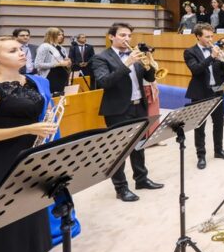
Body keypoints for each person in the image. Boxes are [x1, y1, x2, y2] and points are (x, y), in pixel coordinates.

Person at [0, 36, 59, 252]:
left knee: (30, 205)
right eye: (13, 50)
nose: (22, 53)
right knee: (2, 213)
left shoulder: (30, 80)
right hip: (0, 156)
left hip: (28, 152)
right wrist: (28, 129)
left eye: (21, 49)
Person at [89, 22, 164, 202]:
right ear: (111, 37)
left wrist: (149, 62)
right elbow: (105, 81)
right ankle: (121, 188)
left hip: (139, 106)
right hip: (117, 109)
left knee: (138, 145)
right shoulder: (101, 58)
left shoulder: (135, 55)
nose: (127, 39)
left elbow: (150, 78)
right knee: (119, 149)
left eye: (129, 36)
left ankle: (141, 179)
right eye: (122, 35)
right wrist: (127, 62)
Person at [184, 23, 224, 169]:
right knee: (200, 126)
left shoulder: (216, 50)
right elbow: (196, 70)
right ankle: (201, 155)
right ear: (198, 36)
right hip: (200, 92)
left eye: (212, 36)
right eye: (207, 37)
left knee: (219, 123)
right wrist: (211, 57)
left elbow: (223, 72)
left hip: (217, 91)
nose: (210, 39)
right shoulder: (190, 52)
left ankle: (218, 150)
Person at [34, 27, 71, 95]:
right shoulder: (44, 46)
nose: (61, 36)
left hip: (63, 76)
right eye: (58, 35)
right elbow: (37, 64)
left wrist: (68, 63)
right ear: (51, 35)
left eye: (62, 35)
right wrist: (57, 64)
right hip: (50, 77)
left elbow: (64, 63)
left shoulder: (62, 48)